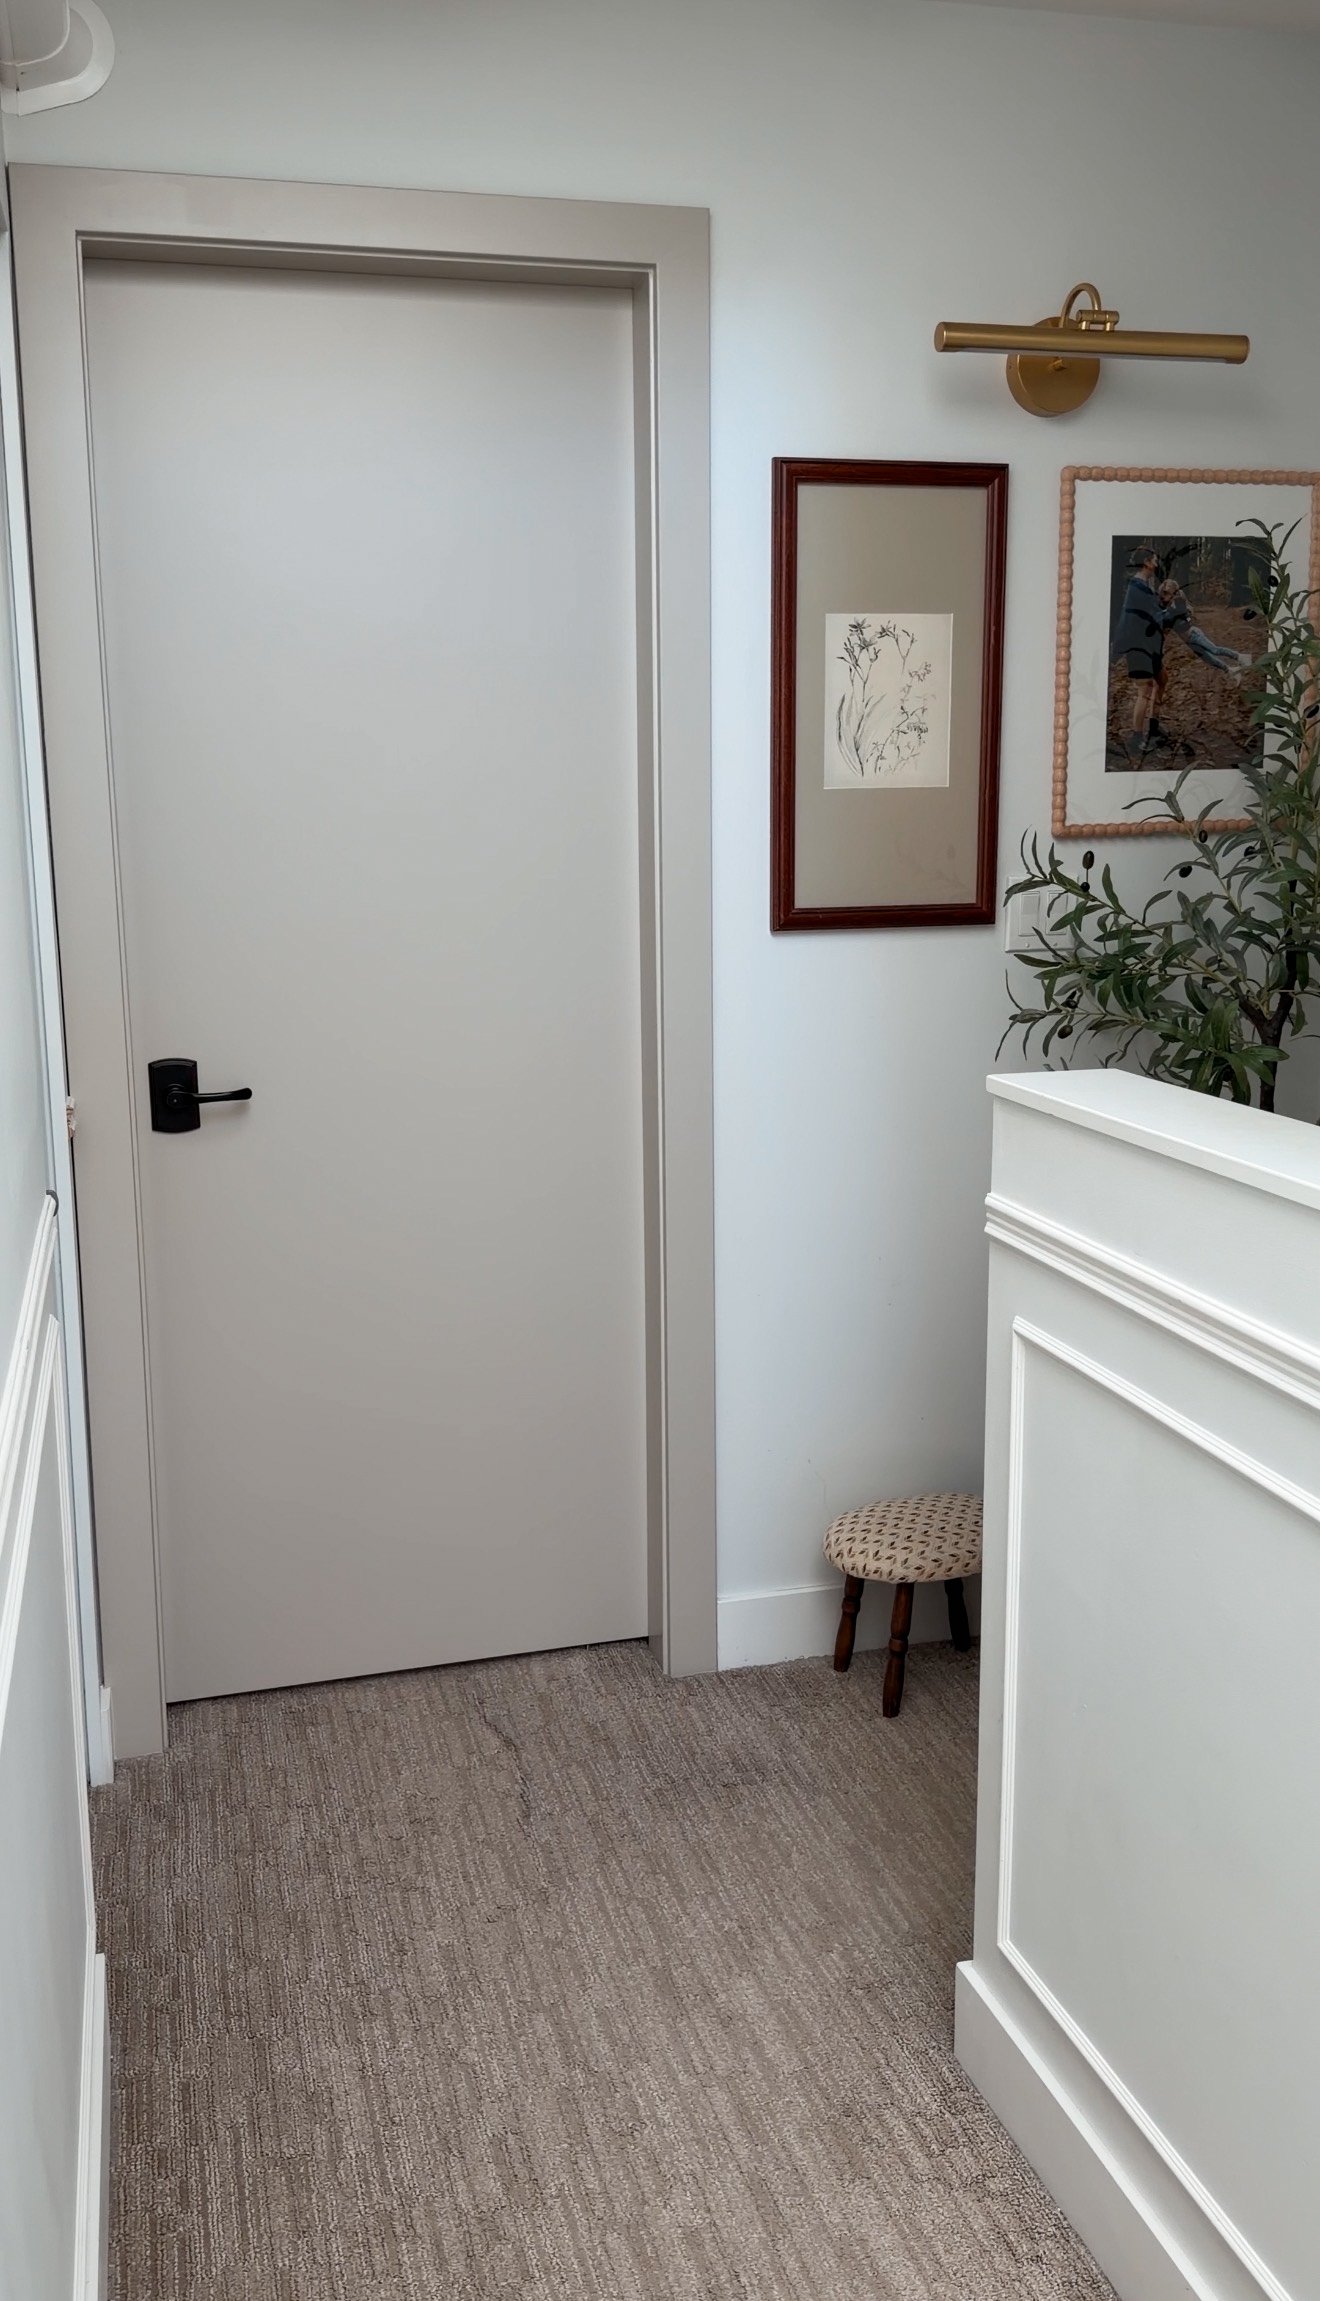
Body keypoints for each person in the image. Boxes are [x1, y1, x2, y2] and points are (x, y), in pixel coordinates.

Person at [1111, 545, 1181, 762]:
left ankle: (1154, 727)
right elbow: (1153, 616)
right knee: (1146, 689)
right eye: (1154, 559)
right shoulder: (1137, 586)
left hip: (1148, 644)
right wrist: (1173, 612)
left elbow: (1155, 611)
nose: (1157, 563)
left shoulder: (1145, 584)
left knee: (1163, 679)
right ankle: (1136, 737)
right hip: (1137, 644)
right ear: (1146, 563)